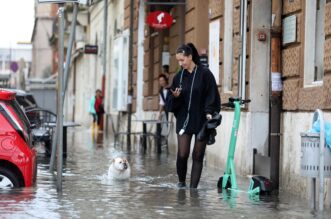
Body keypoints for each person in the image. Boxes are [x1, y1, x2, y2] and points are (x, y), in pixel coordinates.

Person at [166, 43, 221, 188]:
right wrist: (175, 96)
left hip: (202, 120)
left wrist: (209, 112)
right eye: (178, 60)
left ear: (190, 57)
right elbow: (170, 103)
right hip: (184, 120)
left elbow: (212, 95)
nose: (180, 63)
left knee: (198, 156)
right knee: (183, 154)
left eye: (182, 60)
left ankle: (193, 190)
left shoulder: (205, 74)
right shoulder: (179, 77)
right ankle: (182, 183)